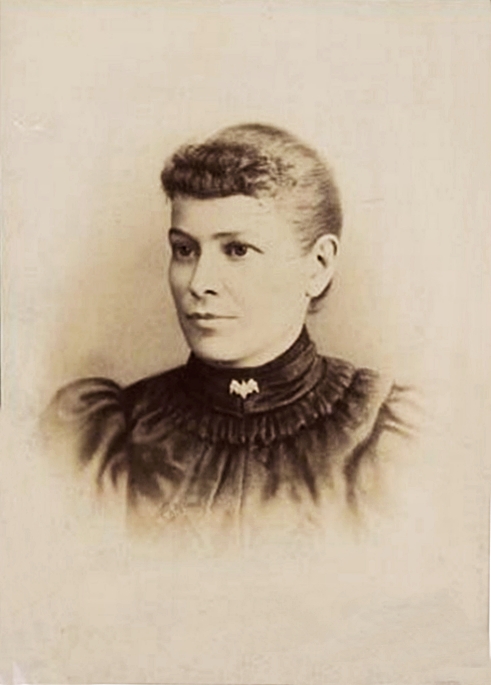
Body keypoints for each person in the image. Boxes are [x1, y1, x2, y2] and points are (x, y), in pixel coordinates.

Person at [44, 123, 413, 543]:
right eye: (185, 250)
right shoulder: (107, 438)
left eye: (237, 250)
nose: (199, 282)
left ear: (318, 265)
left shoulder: (382, 433)